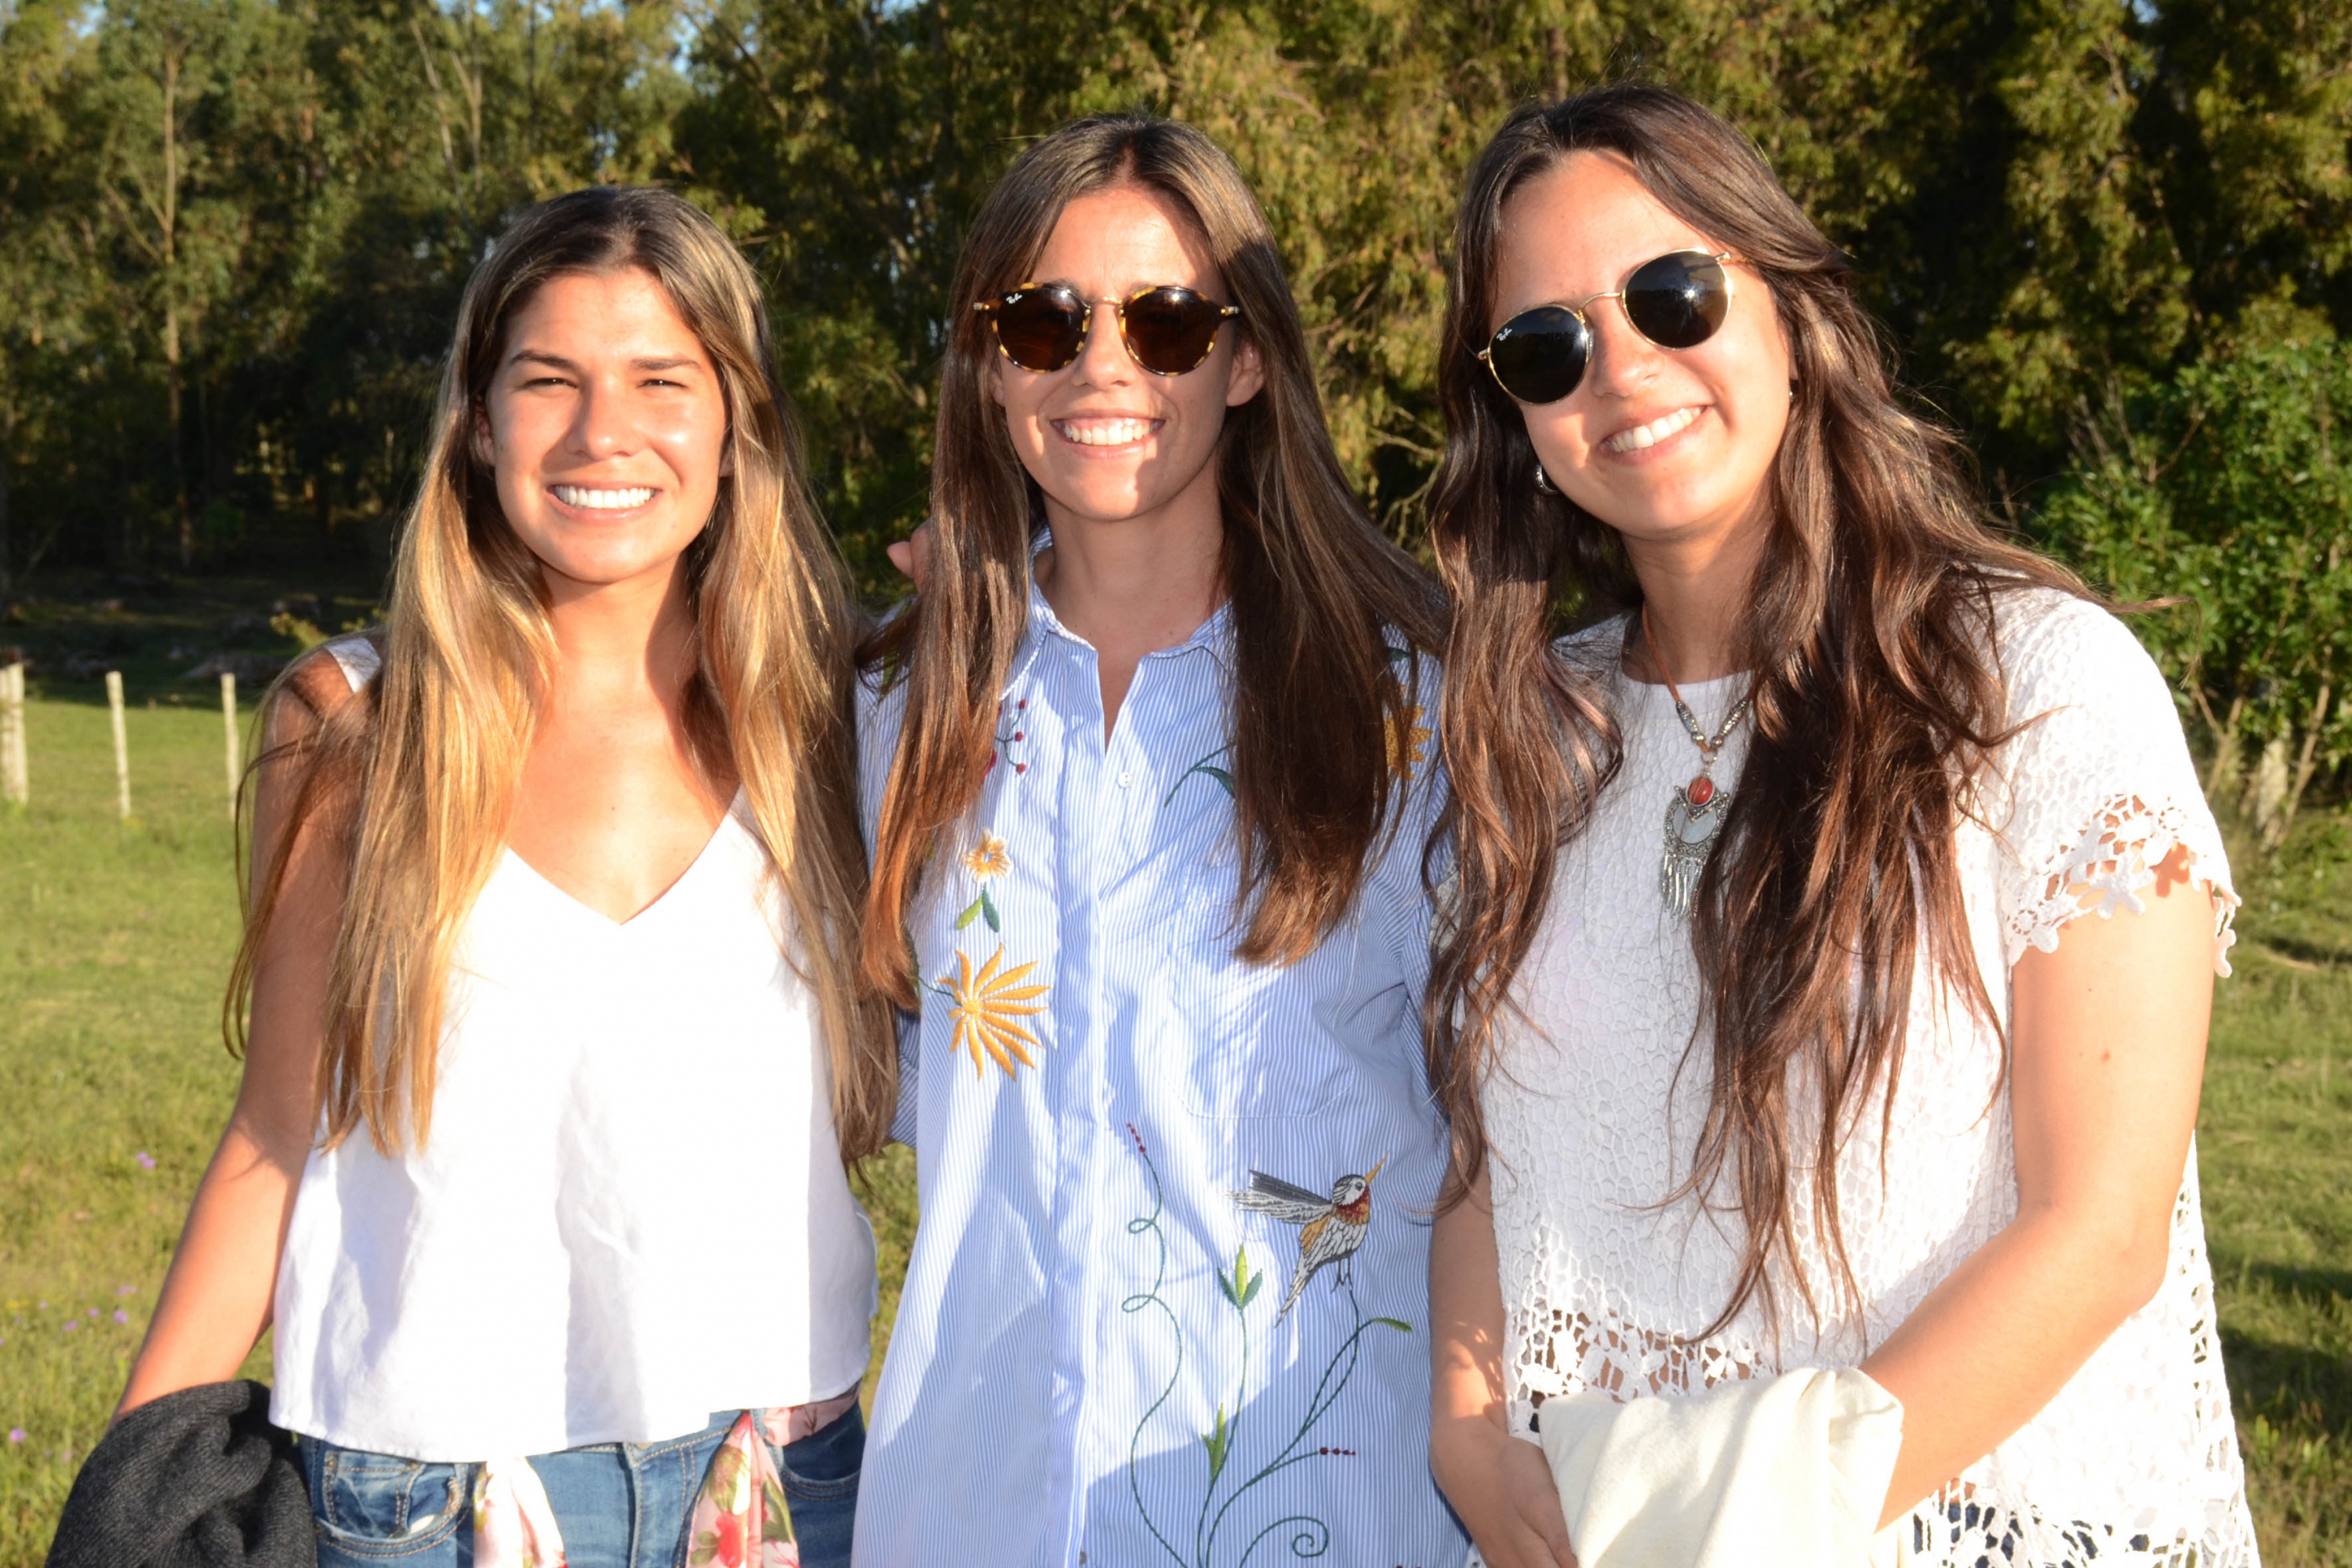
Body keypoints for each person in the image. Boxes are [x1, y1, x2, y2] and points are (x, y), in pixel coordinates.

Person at [1422, 86, 2256, 1568]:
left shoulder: (2031, 690)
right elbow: (1490, 1154)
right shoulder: (1525, 739)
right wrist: (1468, 1429)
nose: (1622, 371)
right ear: (1514, 416)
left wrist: (1741, 1516)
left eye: (1670, 295)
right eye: (1547, 347)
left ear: (1793, 315)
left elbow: (2100, 1227)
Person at [114, 186, 892, 1568]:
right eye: (550, 381)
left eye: (663, 380)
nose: (605, 434)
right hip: (425, 1499)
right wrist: (137, 1502)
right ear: (480, 423)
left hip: (775, 1475)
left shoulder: (833, 713)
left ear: (737, 421)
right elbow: (276, 1130)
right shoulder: (356, 725)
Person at [852, 114, 1466, 1565]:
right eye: (1045, 319)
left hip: (1330, 1506)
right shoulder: (895, 710)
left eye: (1170, 320)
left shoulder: (1424, 715)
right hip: (975, 1507)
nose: (1102, 365)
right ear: (989, 363)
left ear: (1246, 361)